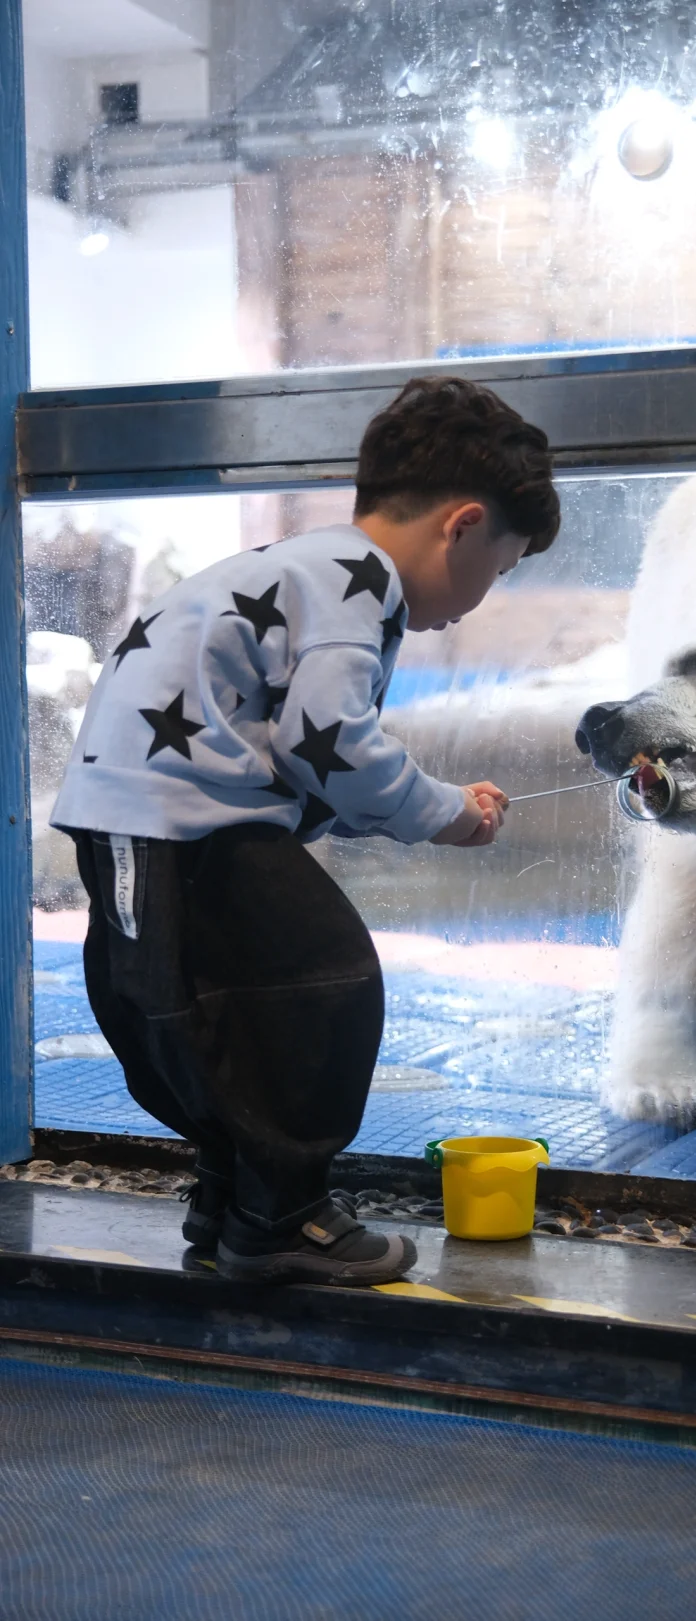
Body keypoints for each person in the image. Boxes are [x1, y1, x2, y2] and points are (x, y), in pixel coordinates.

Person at [50, 376, 561, 1288]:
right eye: (505, 564)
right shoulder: (355, 587)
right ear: (464, 525)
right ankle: (283, 1219)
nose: (488, 592)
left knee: (209, 1006)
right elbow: (332, 743)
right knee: (323, 989)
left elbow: (295, 749)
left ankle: (236, 1197)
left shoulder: (306, 562)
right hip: (183, 819)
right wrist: (443, 812)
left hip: (145, 811)